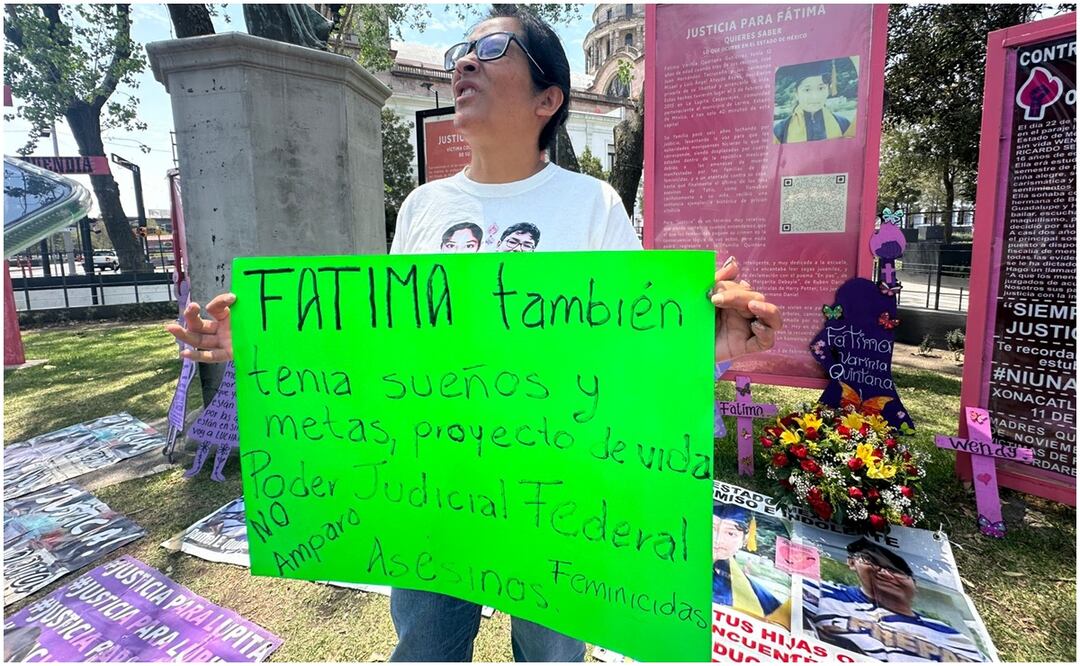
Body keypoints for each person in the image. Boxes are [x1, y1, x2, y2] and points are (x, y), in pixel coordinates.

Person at [167, 6, 783, 662]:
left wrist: (708, 346)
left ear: (548, 98)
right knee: (425, 648)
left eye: (492, 48)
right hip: (430, 484)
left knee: (551, 654)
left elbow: (626, 352)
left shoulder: (592, 206)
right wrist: (266, 341)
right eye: (464, 47)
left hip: (558, 494)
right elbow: (383, 346)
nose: (464, 60)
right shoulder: (423, 208)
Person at [803, 538, 986, 662]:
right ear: (852, 563)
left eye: (897, 571)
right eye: (873, 563)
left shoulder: (954, 637)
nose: (885, 574)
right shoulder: (823, 592)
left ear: (914, 584)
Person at [712, 504, 791, 627]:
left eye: (731, 533)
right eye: (711, 528)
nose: (718, 540)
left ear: (744, 539)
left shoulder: (757, 595)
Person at [773, 59, 854, 144]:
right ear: (796, 93)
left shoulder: (843, 124)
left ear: (828, 90)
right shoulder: (780, 131)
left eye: (821, 88)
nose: (815, 97)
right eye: (807, 90)